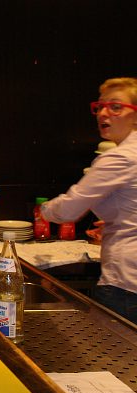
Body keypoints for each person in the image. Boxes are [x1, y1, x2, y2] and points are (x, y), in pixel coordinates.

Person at [41, 77, 137, 323]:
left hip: (126, 284)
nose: (104, 113)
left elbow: (68, 209)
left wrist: (44, 210)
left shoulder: (119, 157)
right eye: (101, 106)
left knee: (116, 348)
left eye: (116, 107)